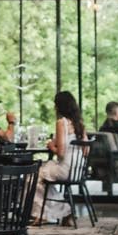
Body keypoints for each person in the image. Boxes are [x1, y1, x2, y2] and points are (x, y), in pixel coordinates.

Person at [35, 91, 89, 226]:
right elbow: (86, 150)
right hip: (78, 169)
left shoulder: (61, 122)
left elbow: (61, 154)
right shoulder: (79, 123)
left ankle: (44, 214)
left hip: (65, 169)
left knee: (32, 176)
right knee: (42, 180)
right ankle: (63, 212)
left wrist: (50, 146)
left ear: (59, 106)